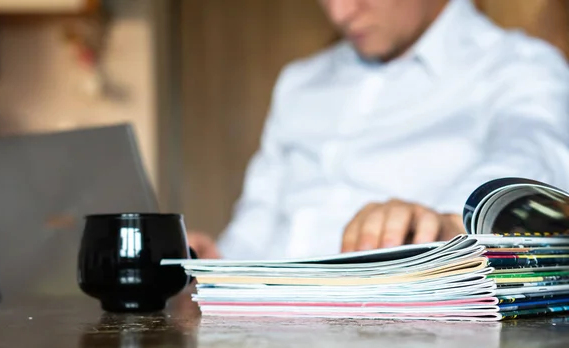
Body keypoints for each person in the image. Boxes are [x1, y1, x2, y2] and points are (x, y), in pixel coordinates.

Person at [189, 0, 569, 260]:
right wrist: (217, 260)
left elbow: (534, 149)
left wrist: (454, 220)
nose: (340, 12)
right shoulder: (298, 82)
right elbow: (259, 216)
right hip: (261, 342)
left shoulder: (519, 67)